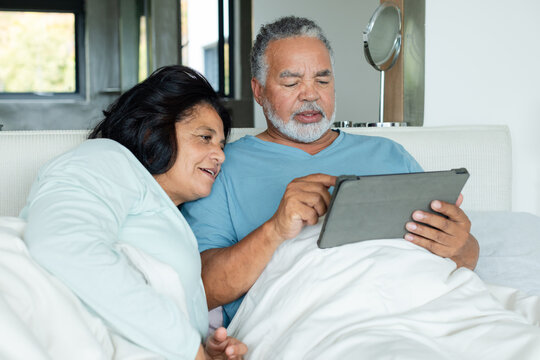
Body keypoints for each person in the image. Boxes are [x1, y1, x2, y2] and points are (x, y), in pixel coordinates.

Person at [181, 16, 479, 327]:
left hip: (415, 311)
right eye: (292, 82)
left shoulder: (390, 154)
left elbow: (464, 256)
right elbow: (201, 290)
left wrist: (461, 246)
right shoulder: (219, 165)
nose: (310, 94)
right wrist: (275, 229)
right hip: (311, 322)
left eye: (322, 81)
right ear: (258, 90)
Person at [20, 65, 247, 359]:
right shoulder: (108, 158)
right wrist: (188, 347)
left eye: (221, 143)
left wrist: (204, 347)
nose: (220, 155)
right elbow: (62, 241)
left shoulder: (168, 219)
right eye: (205, 137)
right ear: (155, 130)